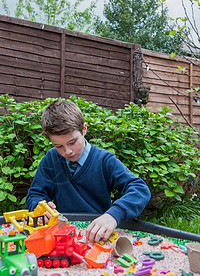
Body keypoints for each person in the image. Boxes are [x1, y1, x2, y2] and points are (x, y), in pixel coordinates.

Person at [26, 99, 151, 243]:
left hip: (99, 235)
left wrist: (114, 215)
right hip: (64, 235)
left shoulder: (104, 160)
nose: (67, 151)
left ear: (84, 129)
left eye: (72, 142)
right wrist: (40, 207)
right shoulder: (51, 159)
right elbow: (34, 195)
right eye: (58, 146)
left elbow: (140, 189)